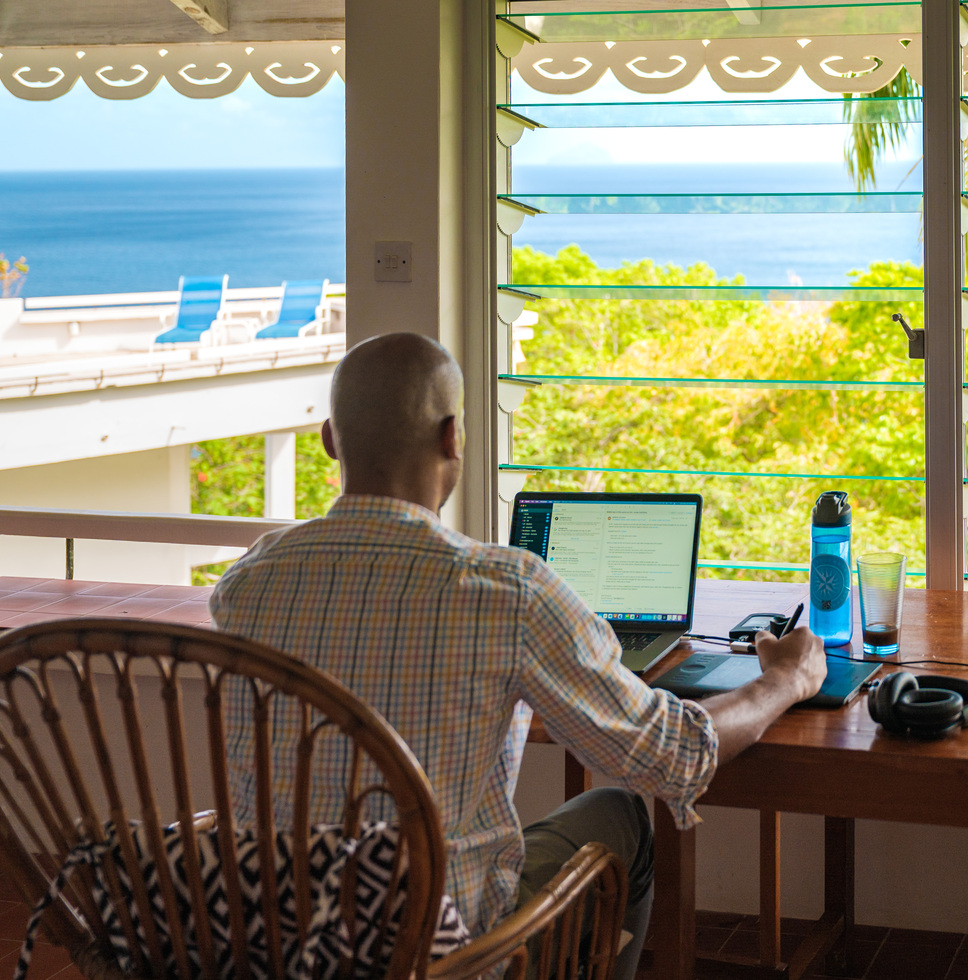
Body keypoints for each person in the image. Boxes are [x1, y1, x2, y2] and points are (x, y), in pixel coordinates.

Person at [210, 332, 826, 980]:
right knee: (621, 812)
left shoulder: (250, 581)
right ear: (452, 437)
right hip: (440, 952)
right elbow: (666, 757)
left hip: (267, 938)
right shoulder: (504, 592)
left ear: (331, 440)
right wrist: (782, 679)